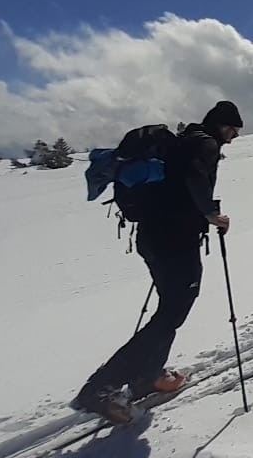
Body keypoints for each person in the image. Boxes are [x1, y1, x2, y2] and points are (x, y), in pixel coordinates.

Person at [73, 100, 243, 424]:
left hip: (152, 238)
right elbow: (194, 178)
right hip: (175, 242)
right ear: (221, 125)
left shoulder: (184, 141)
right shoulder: (205, 145)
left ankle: (147, 376)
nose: (234, 135)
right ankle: (101, 387)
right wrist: (211, 213)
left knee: (169, 310)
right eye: (233, 128)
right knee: (171, 314)